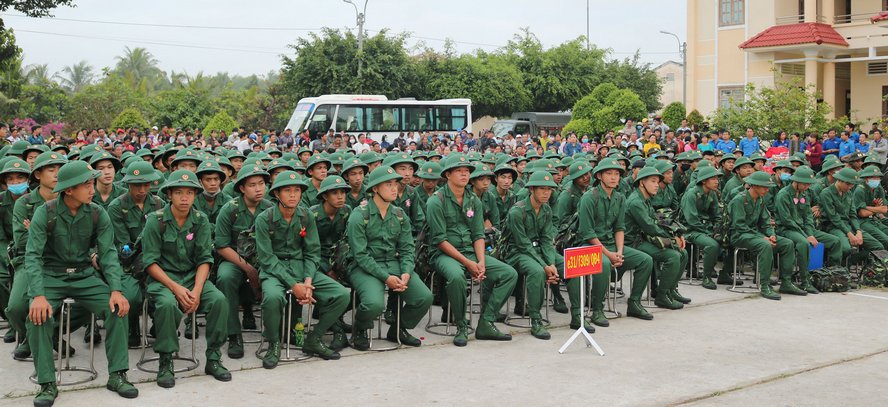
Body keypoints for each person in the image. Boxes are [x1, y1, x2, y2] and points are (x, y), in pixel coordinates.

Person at [25, 161, 138, 406]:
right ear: (68, 190)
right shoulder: (46, 212)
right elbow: (32, 255)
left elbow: (108, 253)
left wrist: (116, 290)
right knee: (37, 317)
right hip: (51, 275)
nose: (92, 189)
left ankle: (118, 375)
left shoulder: (97, 213)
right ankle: (47, 383)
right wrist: (38, 295)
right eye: (86, 184)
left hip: (84, 275)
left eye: (91, 183)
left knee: (117, 309)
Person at [142, 169, 231, 386]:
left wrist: (198, 290)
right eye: (179, 193)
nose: (184, 198)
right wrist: (175, 288)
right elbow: (150, 263)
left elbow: (204, 259)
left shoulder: (199, 220)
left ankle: (213, 357)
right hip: (164, 279)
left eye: (190, 193)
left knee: (219, 300)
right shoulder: (156, 220)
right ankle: (166, 360)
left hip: (193, 278)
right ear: (169, 194)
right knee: (167, 305)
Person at [256, 171, 349, 365]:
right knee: (273, 297)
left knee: (341, 294)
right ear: (277, 194)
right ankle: (274, 343)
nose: (293, 195)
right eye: (287, 190)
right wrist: (293, 284)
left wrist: (307, 281)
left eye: (297, 190)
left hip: (302, 267)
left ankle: (314, 338)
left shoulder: (306, 215)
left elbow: (312, 251)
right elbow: (267, 258)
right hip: (275, 270)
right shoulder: (264, 219)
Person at [426, 153, 518, 346]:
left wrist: (481, 262)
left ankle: (486, 321)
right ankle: (460, 324)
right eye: (459, 171)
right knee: (457, 277)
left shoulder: (473, 200)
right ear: (448, 175)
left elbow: (478, 234)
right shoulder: (436, 200)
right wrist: (469, 264)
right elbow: (440, 240)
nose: (464, 175)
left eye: (466, 171)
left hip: (470, 250)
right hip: (444, 253)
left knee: (509, 273)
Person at [348, 166, 432, 350]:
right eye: (388, 184)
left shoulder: (399, 215)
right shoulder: (359, 215)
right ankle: (360, 329)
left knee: (424, 297)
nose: (394, 188)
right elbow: (360, 255)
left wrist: (406, 273)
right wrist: (386, 278)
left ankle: (397, 329)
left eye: (395, 183)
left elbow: (407, 248)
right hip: (366, 267)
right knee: (374, 304)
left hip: (394, 264)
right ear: (375, 189)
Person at [576, 157, 654, 326]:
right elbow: (587, 232)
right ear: (599, 176)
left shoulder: (619, 197)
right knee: (603, 264)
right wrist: (609, 254)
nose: (613, 177)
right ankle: (597, 309)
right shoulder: (589, 198)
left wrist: (618, 251)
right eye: (609, 173)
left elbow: (619, 227)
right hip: (588, 245)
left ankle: (634, 303)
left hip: (611, 244)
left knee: (645, 260)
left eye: (617, 174)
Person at [502, 171, 577, 340]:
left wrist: (550, 263)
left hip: (539, 251)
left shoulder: (546, 210)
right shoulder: (517, 211)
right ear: (532, 190)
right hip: (517, 252)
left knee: (571, 265)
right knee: (537, 272)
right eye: (542, 189)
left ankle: (577, 316)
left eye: (549, 189)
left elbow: (546, 240)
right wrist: (545, 266)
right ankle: (536, 319)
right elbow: (523, 244)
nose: (546, 193)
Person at [214, 165, 274, 359]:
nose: (258, 189)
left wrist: (260, 267)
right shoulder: (230, 209)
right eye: (252, 185)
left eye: (261, 184)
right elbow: (222, 245)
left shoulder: (270, 208)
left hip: (264, 259)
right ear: (242, 188)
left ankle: (274, 334)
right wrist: (248, 268)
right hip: (235, 259)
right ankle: (233, 334)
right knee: (225, 277)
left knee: (275, 279)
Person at [107, 161, 165, 347]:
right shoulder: (117, 206)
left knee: (163, 291)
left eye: (146, 184)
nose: (141, 189)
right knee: (132, 296)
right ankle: (133, 325)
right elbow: (124, 244)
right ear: (128, 184)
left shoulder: (158, 203)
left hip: (156, 258)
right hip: (129, 262)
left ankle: (160, 323)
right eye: (136, 185)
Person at [625, 166, 689, 309]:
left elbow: (657, 221)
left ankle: (670, 291)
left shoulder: (646, 198)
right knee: (673, 256)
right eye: (653, 181)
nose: (656, 185)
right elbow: (650, 226)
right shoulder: (636, 201)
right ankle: (661, 296)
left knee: (683, 253)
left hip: (644, 238)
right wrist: (673, 239)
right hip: (632, 243)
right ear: (642, 183)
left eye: (657, 182)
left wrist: (677, 234)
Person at [726, 171, 797, 300]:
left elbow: (766, 222)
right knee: (765, 245)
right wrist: (762, 237)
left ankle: (786, 282)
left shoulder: (760, 200)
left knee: (787, 243)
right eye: (764, 187)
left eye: (768, 187)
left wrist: (771, 234)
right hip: (739, 235)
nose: (767, 190)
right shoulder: (739, 200)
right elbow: (739, 226)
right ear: (754, 186)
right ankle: (765, 285)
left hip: (755, 235)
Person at [774, 166, 842, 294]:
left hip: (804, 229)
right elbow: (786, 220)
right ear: (796, 181)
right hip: (787, 229)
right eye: (805, 184)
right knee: (803, 243)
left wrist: (810, 233)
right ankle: (804, 281)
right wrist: (806, 235)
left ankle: (833, 275)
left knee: (835, 241)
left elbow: (808, 217)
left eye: (809, 184)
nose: (807, 187)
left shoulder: (804, 194)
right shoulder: (783, 195)